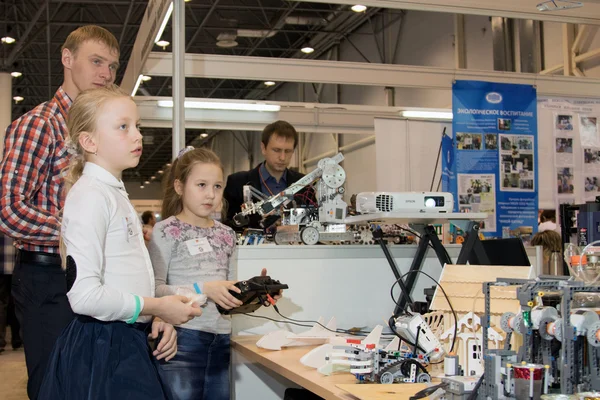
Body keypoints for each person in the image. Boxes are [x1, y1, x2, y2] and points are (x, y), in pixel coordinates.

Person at [38, 85, 203, 399]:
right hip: (103, 349)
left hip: (124, 339)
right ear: (89, 141)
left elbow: (125, 276)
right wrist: (157, 307)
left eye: (137, 126)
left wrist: (156, 313)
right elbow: (84, 296)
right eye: (123, 127)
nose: (137, 135)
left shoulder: (112, 192)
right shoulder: (90, 196)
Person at [0, 25, 120, 399]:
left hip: (91, 275)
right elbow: (8, 209)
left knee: (87, 381)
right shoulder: (40, 125)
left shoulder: (97, 132)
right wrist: (74, 230)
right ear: (67, 60)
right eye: (96, 61)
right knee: (53, 384)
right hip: (47, 277)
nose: (106, 74)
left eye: (113, 66)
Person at [148, 146, 282, 400]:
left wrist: (255, 291)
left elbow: (226, 289)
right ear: (179, 186)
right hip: (180, 341)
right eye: (201, 185)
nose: (210, 194)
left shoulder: (227, 234)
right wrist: (203, 289)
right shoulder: (164, 231)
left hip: (220, 341)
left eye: (217, 186)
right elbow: (154, 290)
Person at [223, 120, 313, 230]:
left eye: (288, 151)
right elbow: (225, 226)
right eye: (277, 150)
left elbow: (314, 222)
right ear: (263, 148)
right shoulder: (237, 182)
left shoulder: (304, 184)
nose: (283, 157)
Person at [0, 234, 21, 354]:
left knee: (2, 303)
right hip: (16, 265)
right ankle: (17, 339)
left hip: (3, 264)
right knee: (16, 302)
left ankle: (1, 341)